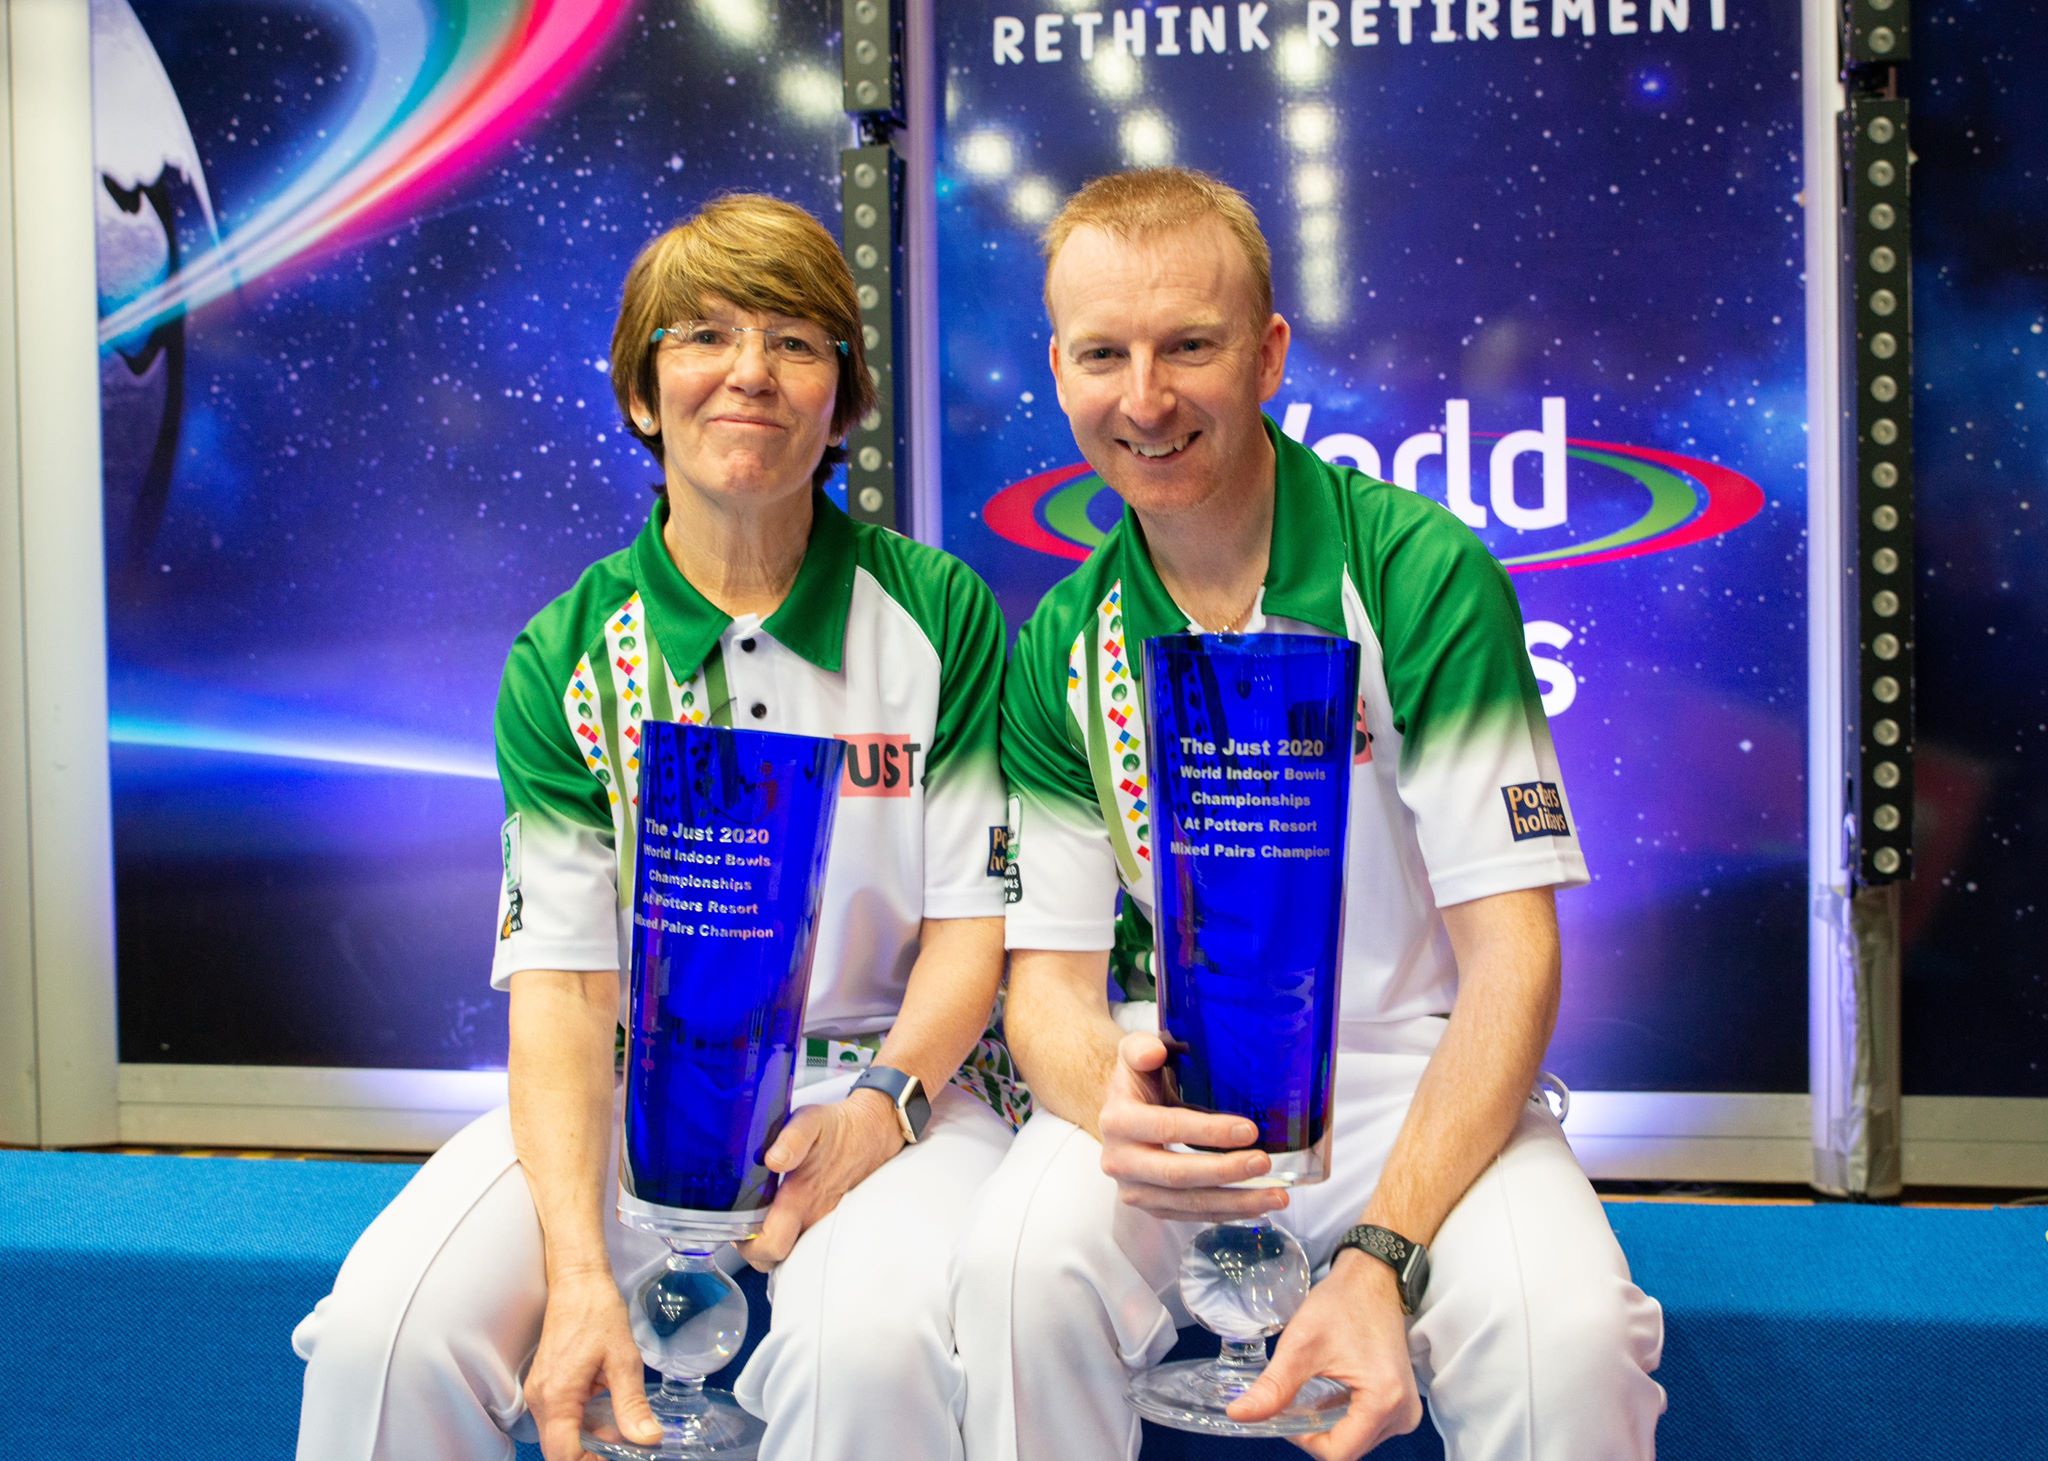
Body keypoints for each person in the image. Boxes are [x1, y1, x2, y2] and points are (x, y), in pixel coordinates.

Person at [950, 168, 1665, 1461]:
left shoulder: (1416, 573)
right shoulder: (1062, 638)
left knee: (1570, 1347)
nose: (1146, 398)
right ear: (1059, 369)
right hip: (1180, 1098)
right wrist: (1112, 1102)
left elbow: (1515, 956)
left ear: (1269, 353)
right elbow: (1044, 986)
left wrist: (1383, 1253)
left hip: (1423, 1078)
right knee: (1008, 1273)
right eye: (1104, 354)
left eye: (1190, 347)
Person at [293, 194, 1020, 1461]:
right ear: (643, 390)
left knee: (873, 1356)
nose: (750, 372)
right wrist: (580, 1269)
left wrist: (881, 1108)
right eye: (704, 337)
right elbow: (563, 990)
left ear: (841, 400)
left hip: (883, 1088)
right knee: (383, 1336)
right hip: (632, 1086)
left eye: (796, 342)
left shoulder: (935, 612)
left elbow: (972, 930)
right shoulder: (568, 652)